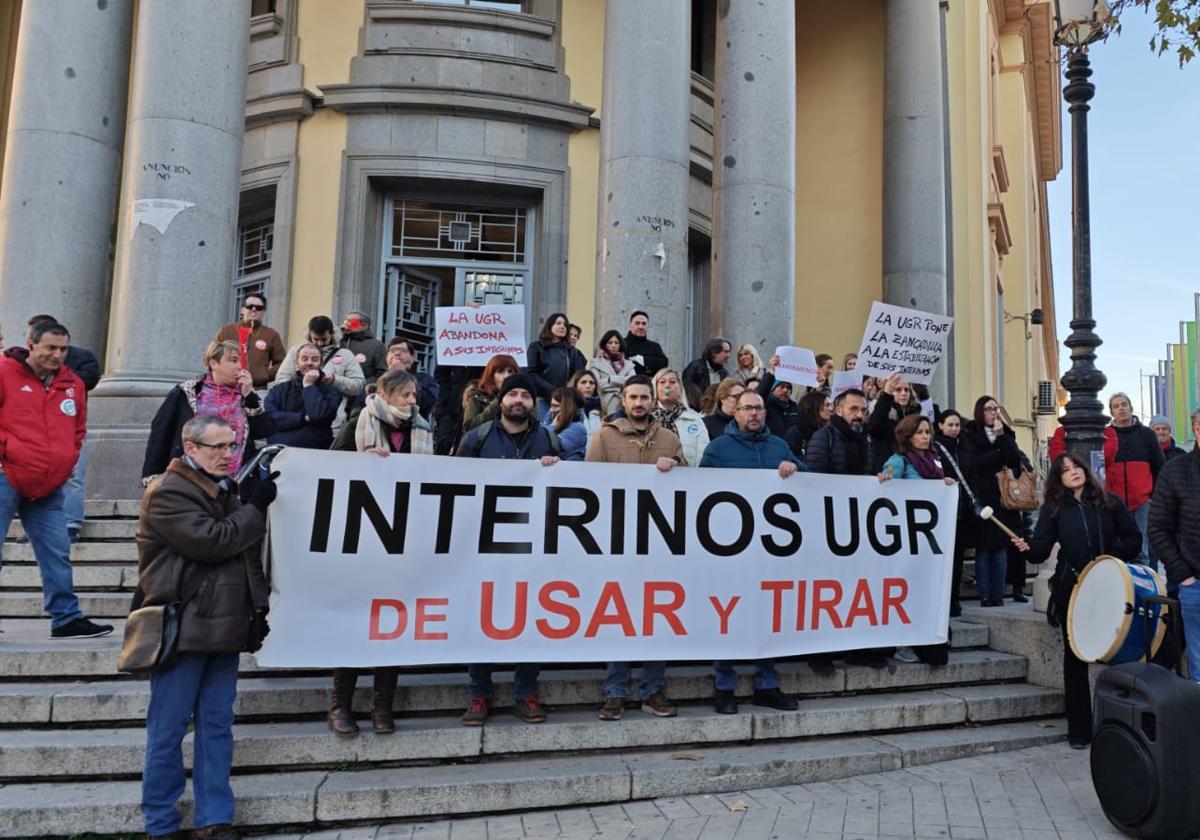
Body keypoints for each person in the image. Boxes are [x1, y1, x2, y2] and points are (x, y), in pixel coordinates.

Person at [132, 415, 276, 839]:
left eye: (231, 446)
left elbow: (243, 553)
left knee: (216, 727)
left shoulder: (221, 488)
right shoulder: (168, 491)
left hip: (224, 625)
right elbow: (215, 541)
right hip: (183, 626)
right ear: (190, 448)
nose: (227, 455)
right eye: (217, 447)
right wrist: (256, 506)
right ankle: (161, 824)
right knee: (169, 730)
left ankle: (215, 818)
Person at [328, 369, 432, 736]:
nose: (411, 401)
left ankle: (381, 706)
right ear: (385, 393)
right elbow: (329, 468)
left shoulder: (423, 428)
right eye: (405, 394)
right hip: (362, 541)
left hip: (403, 541)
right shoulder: (361, 421)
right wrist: (360, 462)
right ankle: (341, 704)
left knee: (392, 625)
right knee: (358, 622)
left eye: (414, 394)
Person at [456, 373, 560, 725]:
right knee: (482, 619)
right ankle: (478, 694)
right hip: (484, 548)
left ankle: (526, 692)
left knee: (530, 618)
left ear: (534, 403)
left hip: (532, 548)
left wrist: (555, 470)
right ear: (501, 400)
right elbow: (456, 485)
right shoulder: (477, 438)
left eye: (525, 395)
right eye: (512, 393)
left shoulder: (548, 439)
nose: (518, 400)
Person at [1015, 455, 1140, 746]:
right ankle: (1080, 731)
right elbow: (1040, 551)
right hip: (1074, 588)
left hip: (1110, 587)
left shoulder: (1109, 503)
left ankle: (1121, 724)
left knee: (1119, 649)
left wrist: (1109, 561)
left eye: (1076, 467)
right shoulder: (1055, 509)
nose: (1073, 473)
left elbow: (1133, 538)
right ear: (1058, 479)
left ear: (1085, 470)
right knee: (1075, 659)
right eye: (1065, 470)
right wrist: (1026, 547)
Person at [0, 320, 111, 638]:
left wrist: (67, 462)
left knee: (57, 550)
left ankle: (65, 618)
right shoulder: (4, 372)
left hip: (48, 484)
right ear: (31, 344)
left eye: (63, 349)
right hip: (6, 476)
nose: (58, 355)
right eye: (51, 347)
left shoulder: (72, 384)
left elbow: (77, 429)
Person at [587, 376, 685, 720]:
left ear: (653, 400)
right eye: (633, 397)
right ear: (623, 401)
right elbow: (588, 487)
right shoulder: (604, 437)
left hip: (659, 545)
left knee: (655, 617)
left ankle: (652, 690)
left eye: (645, 397)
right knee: (619, 619)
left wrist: (675, 468)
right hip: (618, 543)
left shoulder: (669, 439)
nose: (639, 403)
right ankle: (615, 691)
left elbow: (689, 488)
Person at [700, 390, 803, 713]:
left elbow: (810, 478)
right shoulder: (717, 450)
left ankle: (767, 684)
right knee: (727, 616)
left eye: (759, 408)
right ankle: (724, 685)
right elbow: (698, 492)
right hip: (729, 550)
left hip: (769, 551)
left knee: (766, 615)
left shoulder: (779, 447)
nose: (755, 414)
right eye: (748, 408)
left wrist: (794, 466)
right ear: (735, 413)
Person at [804, 387, 883, 671]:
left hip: (855, 529)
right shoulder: (822, 438)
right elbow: (813, 480)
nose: (859, 415)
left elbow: (867, 475)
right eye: (853, 410)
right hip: (826, 528)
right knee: (825, 592)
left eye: (863, 410)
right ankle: (820, 653)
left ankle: (856, 648)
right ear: (838, 410)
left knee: (855, 591)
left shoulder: (866, 441)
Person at [879, 414, 959, 663]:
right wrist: (885, 479)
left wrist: (944, 485)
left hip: (930, 540)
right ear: (908, 435)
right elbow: (886, 481)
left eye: (927, 432)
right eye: (920, 432)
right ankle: (903, 642)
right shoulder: (899, 460)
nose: (925, 436)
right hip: (906, 539)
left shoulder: (934, 460)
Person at [143, 340, 273, 487]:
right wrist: (152, 475)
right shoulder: (188, 392)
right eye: (233, 361)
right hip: (190, 479)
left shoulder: (245, 395)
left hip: (236, 480)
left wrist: (250, 397)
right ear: (213, 363)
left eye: (242, 362)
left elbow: (263, 431)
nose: (239, 367)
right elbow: (161, 432)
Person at [27, 315, 100, 543]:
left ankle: (70, 523)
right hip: (34, 428)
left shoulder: (82, 360)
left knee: (73, 475)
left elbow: (88, 380)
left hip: (66, 426)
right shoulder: (19, 366)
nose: (57, 355)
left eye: (61, 349)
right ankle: (35, 526)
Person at [1148, 408, 1200, 685]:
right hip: (1195, 583)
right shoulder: (1176, 469)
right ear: (1197, 429)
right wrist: (1184, 576)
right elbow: (1157, 527)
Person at [959, 396, 1023, 607]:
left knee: (1002, 547)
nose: (994, 413)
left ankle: (999, 594)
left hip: (1004, 497)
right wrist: (998, 454)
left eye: (996, 408)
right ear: (980, 411)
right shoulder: (970, 433)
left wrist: (1001, 437)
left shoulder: (1005, 432)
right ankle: (985, 595)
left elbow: (1014, 460)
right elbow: (975, 464)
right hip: (982, 496)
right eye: (988, 409)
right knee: (984, 548)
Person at [1104, 393, 1163, 566]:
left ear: (1131, 408)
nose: (1121, 408)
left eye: (1124, 404)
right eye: (1116, 406)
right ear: (1112, 412)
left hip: (1142, 501)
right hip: (1114, 501)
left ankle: (1144, 590)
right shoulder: (1106, 435)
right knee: (1116, 548)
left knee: (1141, 549)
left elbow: (1159, 466)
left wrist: (1153, 495)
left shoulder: (1147, 435)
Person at [272, 316, 365, 411]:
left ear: (332, 334)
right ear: (309, 335)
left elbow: (358, 386)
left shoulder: (345, 355)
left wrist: (335, 380)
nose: (320, 343)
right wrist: (299, 390)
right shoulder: (296, 351)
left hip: (332, 416)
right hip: (298, 412)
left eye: (324, 339)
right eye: (316, 339)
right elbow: (281, 379)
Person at [264, 343, 342, 450]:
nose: (309, 363)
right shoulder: (280, 389)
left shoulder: (331, 391)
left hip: (315, 451)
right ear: (296, 364)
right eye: (304, 359)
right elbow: (270, 418)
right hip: (280, 451)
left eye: (314, 359)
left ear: (321, 364)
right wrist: (303, 418)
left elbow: (318, 415)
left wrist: (309, 386)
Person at [933, 409, 972, 617]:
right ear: (940, 426)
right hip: (945, 512)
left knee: (958, 560)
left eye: (957, 425)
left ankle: (954, 600)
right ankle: (944, 601)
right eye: (950, 425)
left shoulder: (965, 446)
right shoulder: (936, 448)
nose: (954, 429)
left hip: (963, 511)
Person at [214, 294, 286, 390]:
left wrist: (265, 375)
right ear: (242, 310)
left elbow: (282, 362)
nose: (254, 309)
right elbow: (213, 355)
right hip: (226, 388)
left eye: (259, 308)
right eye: (249, 306)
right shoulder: (227, 331)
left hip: (256, 389)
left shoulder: (271, 335)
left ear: (263, 311)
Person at [526, 312, 586, 412]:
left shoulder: (572, 351)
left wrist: (566, 393)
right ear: (549, 326)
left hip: (565, 400)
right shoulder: (536, 347)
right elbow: (531, 373)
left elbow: (578, 375)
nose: (562, 327)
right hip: (542, 399)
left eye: (565, 325)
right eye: (558, 323)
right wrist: (551, 390)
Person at [651, 368, 710, 467]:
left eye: (672, 382)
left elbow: (703, 452)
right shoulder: (648, 418)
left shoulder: (693, 418)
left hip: (686, 477)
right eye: (662, 382)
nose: (667, 385)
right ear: (655, 388)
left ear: (680, 389)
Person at [866, 373, 922, 472]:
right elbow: (874, 427)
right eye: (898, 390)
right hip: (887, 469)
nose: (903, 393)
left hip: (912, 470)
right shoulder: (882, 411)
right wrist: (887, 394)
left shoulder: (917, 414)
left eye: (906, 390)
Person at [461, 353, 520, 433]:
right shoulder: (477, 395)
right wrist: (499, 400)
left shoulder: (523, 395)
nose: (506, 376)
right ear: (491, 376)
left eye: (510, 372)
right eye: (500, 372)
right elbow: (469, 427)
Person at [385, 337, 438, 421]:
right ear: (387, 357)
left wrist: (401, 375)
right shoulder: (377, 379)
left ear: (412, 357)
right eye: (392, 350)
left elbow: (425, 403)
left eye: (403, 350)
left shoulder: (425, 380)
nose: (397, 353)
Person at [589, 329, 638, 416]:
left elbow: (633, 383)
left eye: (616, 343)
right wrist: (621, 385)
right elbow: (598, 384)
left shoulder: (628, 364)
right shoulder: (595, 363)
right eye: (610, 343)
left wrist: (610, 379)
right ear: (604, 345)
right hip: (604, 405)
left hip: (624, 404)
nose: (613, 345)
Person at [339, 311, 388, 386]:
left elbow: (381, 374)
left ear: (364, 325)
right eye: (346, 321)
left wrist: (361, 384)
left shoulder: (376, 345)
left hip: (361, 391)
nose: (347, 324)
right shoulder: (341, 343)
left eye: (352, 321)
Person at [755, 356, 798, 439]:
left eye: (788, 388)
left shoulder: (795, 408)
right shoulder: (766, 404)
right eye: (781, 387)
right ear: (772, 390)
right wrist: (771, 373)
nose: (785, 390)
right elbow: (759, 395)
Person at [682, 337, 732, 408]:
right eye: (726, 352)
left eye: (729, 352)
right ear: (714, 352)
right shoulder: (695, 368)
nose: (728, 356)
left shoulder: (725, 373)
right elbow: (688, 392)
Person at [543, 386, 589, 461]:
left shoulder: (578, 428)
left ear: (568, 408)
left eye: (555, 406)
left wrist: (552, 426)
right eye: (551, 405)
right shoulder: (548, 422)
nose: (551, 410)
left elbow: (548, 445)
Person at [785, 390, 830, 461]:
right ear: (814, 406)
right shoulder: (795, 432)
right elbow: (788, 459)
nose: (831, 409)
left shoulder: (831, 432)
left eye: (830, 405)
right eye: (827, 405)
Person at [624, 310, 669, 377]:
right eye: (637, 323)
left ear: (648, 326)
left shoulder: (654, 346)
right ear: (630, 325)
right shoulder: (621, 343)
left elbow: (664, 362)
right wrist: (652, 362)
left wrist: (641, 359)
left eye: (644, 324)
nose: (641, 327)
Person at [568, 369, 605, 440]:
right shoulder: (566, 409)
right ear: (575, 385)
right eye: (583, 382)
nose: (588, 386)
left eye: (591, 383)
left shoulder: (602, 411)